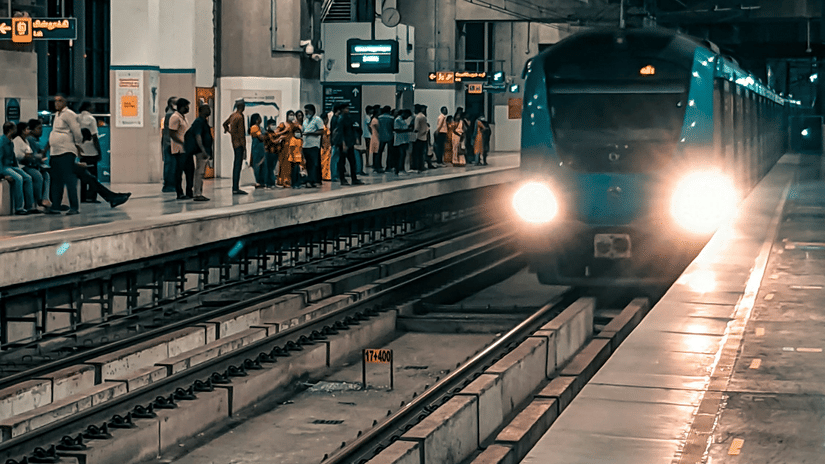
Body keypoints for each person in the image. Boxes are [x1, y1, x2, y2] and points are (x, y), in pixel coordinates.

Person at [45, 94, 83, 215]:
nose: (57, 103)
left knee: (69, 180)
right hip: (55, 152)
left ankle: (74, 207)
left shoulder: (69, 114)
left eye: (60, 101)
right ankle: (56, 206)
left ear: (65, 102)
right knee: (56, 181)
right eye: (55, 101)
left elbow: (76, 131)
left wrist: (78, 144)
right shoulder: (56, 115)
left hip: (66, 151)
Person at [1, 122, 37, 215]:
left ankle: (29, 206)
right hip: (4, 167)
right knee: (19, 178)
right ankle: (19, 208)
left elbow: (13, 157)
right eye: (14, 129)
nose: (16, 131)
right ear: (10, 130)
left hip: (11, 166)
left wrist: (17, 168)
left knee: (28, 178)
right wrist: (2, 175)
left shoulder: (10, 142)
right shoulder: (2, 142)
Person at [13, 122, 47, 209]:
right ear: (22, 130)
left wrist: (31, 156)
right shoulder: (17, 140)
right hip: (21, 165)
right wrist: (26, 156)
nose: (29, 131)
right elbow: (17, 155)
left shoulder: (26, 141)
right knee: (37, 176)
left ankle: (42, 199)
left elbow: (30, 153)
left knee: (45, 175)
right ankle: (34, 202)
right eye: (27, 129)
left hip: (28, 164)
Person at [185, 104, 213, 201]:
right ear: (201, 111)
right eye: (207, 109)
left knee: (201, 172)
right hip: (201, 151)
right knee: (200, 172)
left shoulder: (204, 121)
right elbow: (198, 136)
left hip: (204, 150)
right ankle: (197, 193)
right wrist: (203, 150)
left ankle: (198, 191)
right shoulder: (199, 122)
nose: (209, 110)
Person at [332, 104, 364, 185]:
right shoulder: (340, 119)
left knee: (352, 161)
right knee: (342, 161)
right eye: (346, 108)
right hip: (343, 143)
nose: (348, 110)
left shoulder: (348, 117)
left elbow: (352, 129)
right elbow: (341, 132)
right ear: (342, 109)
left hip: (350, 142)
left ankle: (354, 178)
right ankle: (342, 179)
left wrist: (355, 139)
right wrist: (343, 144)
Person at [78, 102, 102, 203]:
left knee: (83, 175)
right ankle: (91, 197)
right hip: (91, 151)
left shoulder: (77, 118)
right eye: (93, 106)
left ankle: (82, 197)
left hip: (82, 150)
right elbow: (94, 136)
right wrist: (99, 151)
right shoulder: (91, 119)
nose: (94, 107)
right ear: (88, 107)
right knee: (93, 176)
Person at [169, 97, 193, 199]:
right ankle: (179, 192)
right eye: (186, 106)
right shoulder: (175, 117)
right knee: (179, 172)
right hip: (179, 150)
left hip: (187, 149)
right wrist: (182, 143)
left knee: (190, 171)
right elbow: (172, 134)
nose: (188, 108)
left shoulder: (183, 118)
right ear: (181, 107)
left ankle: (189, 191)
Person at [222, 99, 247, 195]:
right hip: (239, 144)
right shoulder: (240, 117)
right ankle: (235, 188)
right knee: (238, 166)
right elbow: (241, 134)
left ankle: (235, 187)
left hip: (234, 142)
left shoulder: (233, 115)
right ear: (242, 106)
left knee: (236, 165)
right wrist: (244, 148)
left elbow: (224, 124)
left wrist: (229, 132)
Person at [26, 119, 51, 207]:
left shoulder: (37, 140)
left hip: (35, 165)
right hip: (28, 165)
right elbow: (33, 155)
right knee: (38, 176)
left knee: (46, 175)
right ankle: (38, 199)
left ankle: (45, 198)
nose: (41, 131)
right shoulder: (30, 139)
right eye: (39, 128)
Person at [302, 104, 324, 188]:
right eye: (305, 111)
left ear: (312, 111)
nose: (306, 113)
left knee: (313, 164)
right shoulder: (305, 121)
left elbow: (321, 131)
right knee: (308, 164)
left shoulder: (317, 119)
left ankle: (312, 181)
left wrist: (310, 133)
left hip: (313, 145)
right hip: (305, 145)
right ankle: (311, 180)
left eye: (307, 111)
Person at [161, 97, 178, 192]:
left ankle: (169, 184)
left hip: (170, 143)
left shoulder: (171, 114)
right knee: (171, 165)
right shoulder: (171, 115)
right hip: (170, 144)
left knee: (171, 164)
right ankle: (169, 185)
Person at [249, 113, 267, 188]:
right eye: (259, 118)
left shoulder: (260, 127)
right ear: (256, 120)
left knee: (263, 165)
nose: (260, 119)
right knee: (257, 165)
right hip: (257, 149)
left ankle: (262, 181)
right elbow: (261, 137)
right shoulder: (254, 127)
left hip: (262, 149)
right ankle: (256, 181)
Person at [392, 109, 413, 175]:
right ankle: (400, 169)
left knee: (403, 156)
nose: (407, 117)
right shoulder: (398, 120)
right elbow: (397, 130)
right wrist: (407, 130)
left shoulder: (403, 120)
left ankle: (402, 169)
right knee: (400, 156)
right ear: (404, 113)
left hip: (404, 141)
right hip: (400, 141)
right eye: (407, 116)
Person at [375, 106, 394, 173]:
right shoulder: (391, 118)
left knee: (379, 152)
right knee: (390, 153)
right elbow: (393, 127)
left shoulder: (379, 117)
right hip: (390, 136)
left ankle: (378, 167)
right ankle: (388, 167)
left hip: (381, 136)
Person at [412, 105, 430, 172]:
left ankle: (416, 166)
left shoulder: (418, 117)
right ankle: (421, 166)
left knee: (416, 153)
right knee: (421, 153)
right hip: (424, 137)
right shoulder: (423, 116)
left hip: (418, 137)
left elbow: (416, 128)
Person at [263, 120, 279, 188]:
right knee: (270, 168)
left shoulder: (274, 133)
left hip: (275, 152)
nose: (274, 126)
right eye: (272, 124)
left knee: (272, 168)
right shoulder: (267, 134)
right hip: (269, 152)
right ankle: (270, 183)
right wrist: (280, 138)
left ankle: (271, 183)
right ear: (268, 125)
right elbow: (273, 141)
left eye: (274, 124)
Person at [320, 112, 332, 181]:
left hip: (327, 146)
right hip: (324, 146)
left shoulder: (326, 127)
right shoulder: (323, 128)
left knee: (327, 162)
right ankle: (324, 175)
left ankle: (326, 175)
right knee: (324, 162)